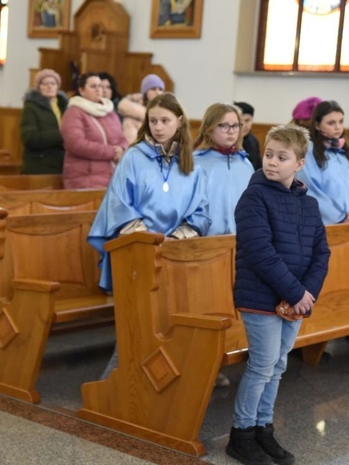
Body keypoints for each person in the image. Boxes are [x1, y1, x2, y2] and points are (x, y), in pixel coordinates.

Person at [226, 124, 330, 465]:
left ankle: (263, 429)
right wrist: (295, 292)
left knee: (279, 365)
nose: (271, 162)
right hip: (260, 297)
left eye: (281, 157)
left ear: (299, 163)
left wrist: (307, 295)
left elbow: (321, 253)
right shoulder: (254, 196)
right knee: (262, 365)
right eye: (268, 154)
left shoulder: (309, 204)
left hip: (294, 299)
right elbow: (259, 251)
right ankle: (241, 434)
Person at [88, 92, 210, 378]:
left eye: (165, 120)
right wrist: (147, 240)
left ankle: (163, 375)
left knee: (169, 316)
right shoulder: (134, 157)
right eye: (153, 120)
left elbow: (201, 211)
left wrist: (176, 240)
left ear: (179, 122)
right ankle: (116, 379)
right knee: (137, 318)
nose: (158, 127)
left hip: (175, 252)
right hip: (137, 249)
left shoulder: (191, 163)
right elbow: (118, 204)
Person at [296, 100, 349, 225]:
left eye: (341, 121)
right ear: (317, 125)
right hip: (322, 222)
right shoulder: (308, 152)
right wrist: (339, 217)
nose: (338, 127)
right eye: (331, 123)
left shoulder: (345, 153)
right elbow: (309, 189)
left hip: (348, 221)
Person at [192, 103, 254, 236]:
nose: (231, 131)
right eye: (224, 126)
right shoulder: (197, 163)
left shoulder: (245, 164)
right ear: (209, 128)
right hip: (206, 239)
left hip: (240, 241)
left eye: (235, 125)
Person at [60, 72, 127, 189]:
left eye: (100, 86)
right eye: (93, 86)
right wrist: (111, 152)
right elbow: (76, 144)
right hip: (85, 177)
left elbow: (121, 137)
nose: (98, 89)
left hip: (112, 176)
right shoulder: (74, 112)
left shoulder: (109, 112)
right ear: (81, 90)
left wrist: (122, 148)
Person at [19, 68, 68, 174]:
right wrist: (62, 135)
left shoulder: (65, 106)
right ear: (38, 87)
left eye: (53, 83)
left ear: (58, 86)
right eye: (44, 83)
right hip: (39, 164)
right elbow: (29, 138)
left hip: (63, 163)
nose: (49, 86)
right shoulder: (31, 107)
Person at [118, 74, 166, 143]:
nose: (158, 92)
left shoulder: (167, 115)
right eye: (153, 89)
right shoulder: (132, 118)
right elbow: (131, 145)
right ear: (145, 93)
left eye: (160, 89)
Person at [234, 101, 262, 171]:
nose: (243, 125)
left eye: (247, 120)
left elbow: (258, 167)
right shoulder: (228, 142)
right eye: (240, 121)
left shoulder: (254, 141)